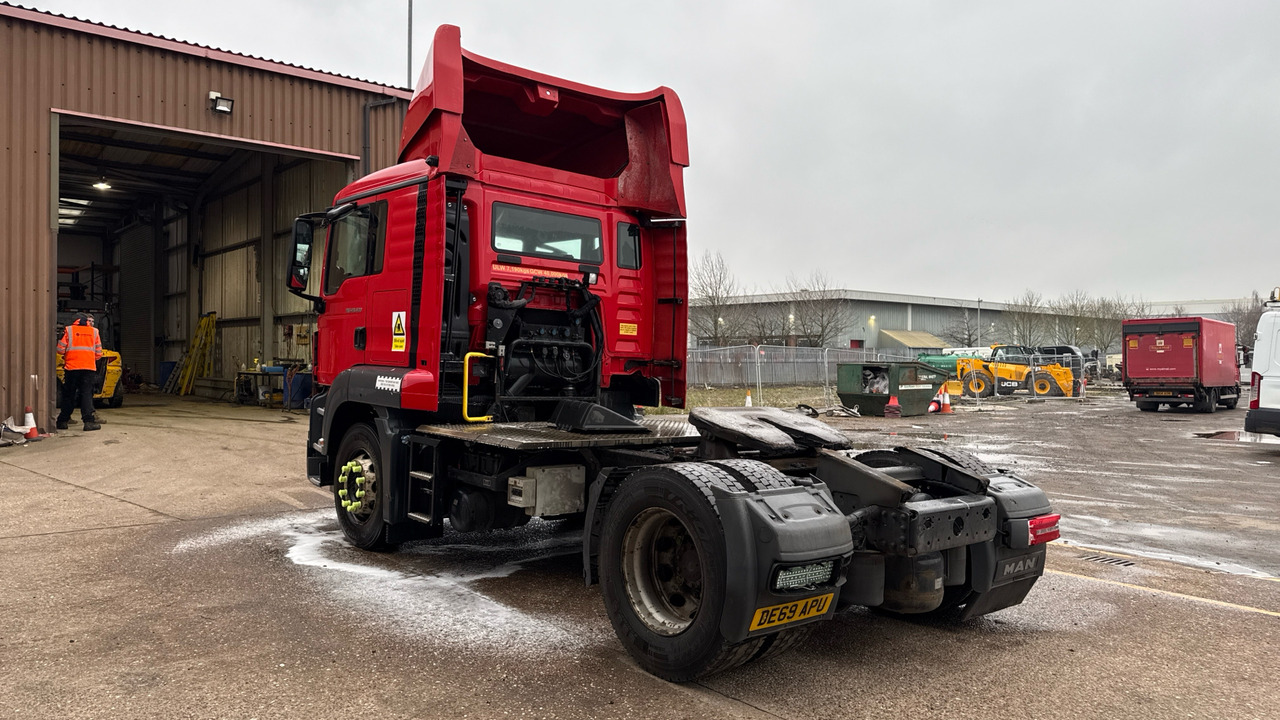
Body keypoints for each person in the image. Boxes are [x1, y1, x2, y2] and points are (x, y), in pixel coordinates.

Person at [56, 313, 103, 431]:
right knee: (86, 394)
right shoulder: (94, 332)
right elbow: (98, 354)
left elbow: (60, 350)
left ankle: (62, 421)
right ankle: (88, 422)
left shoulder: (69, 330)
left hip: (71, 368)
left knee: (69, 394)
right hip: (88, 369)